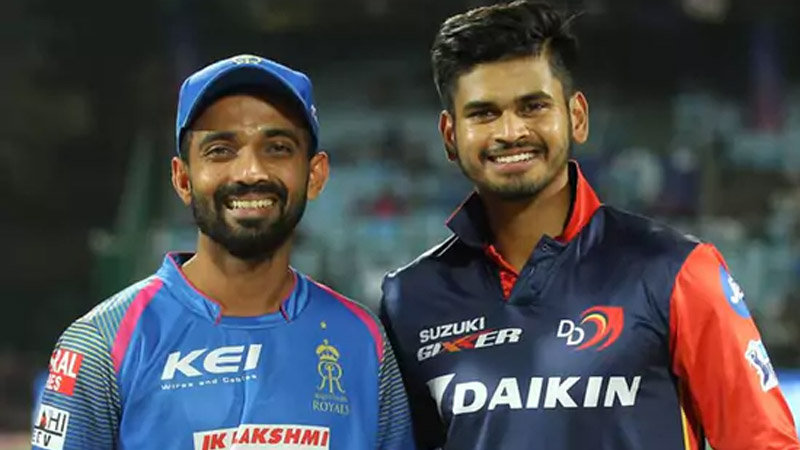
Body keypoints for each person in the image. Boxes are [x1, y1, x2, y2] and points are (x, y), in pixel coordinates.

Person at [379, 2, 800, 449]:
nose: (510, 132)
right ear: (450, 136)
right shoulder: (410, 299)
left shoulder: (676, 272)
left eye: (533, 106)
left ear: (576, 117)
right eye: (484, 113)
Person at [32, 54, 413, 450]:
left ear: (315, 175)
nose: (250, 172)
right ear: (182, 179)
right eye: (220, 150)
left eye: (278, 148)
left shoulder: (364, 341)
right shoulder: (103, 343)